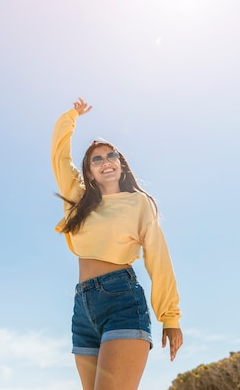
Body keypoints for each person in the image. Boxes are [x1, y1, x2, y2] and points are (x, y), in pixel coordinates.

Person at [51, 97, 183, 390]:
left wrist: (170, 315)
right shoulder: (78, 197)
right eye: (96, 159)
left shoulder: (139, 202)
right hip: (82, 306)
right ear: (89, 171)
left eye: (111, 156)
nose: (105, 162)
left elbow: (158, 258)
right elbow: (59, 155)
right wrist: (71, 116)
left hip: (121, 299)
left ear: (121, 165)